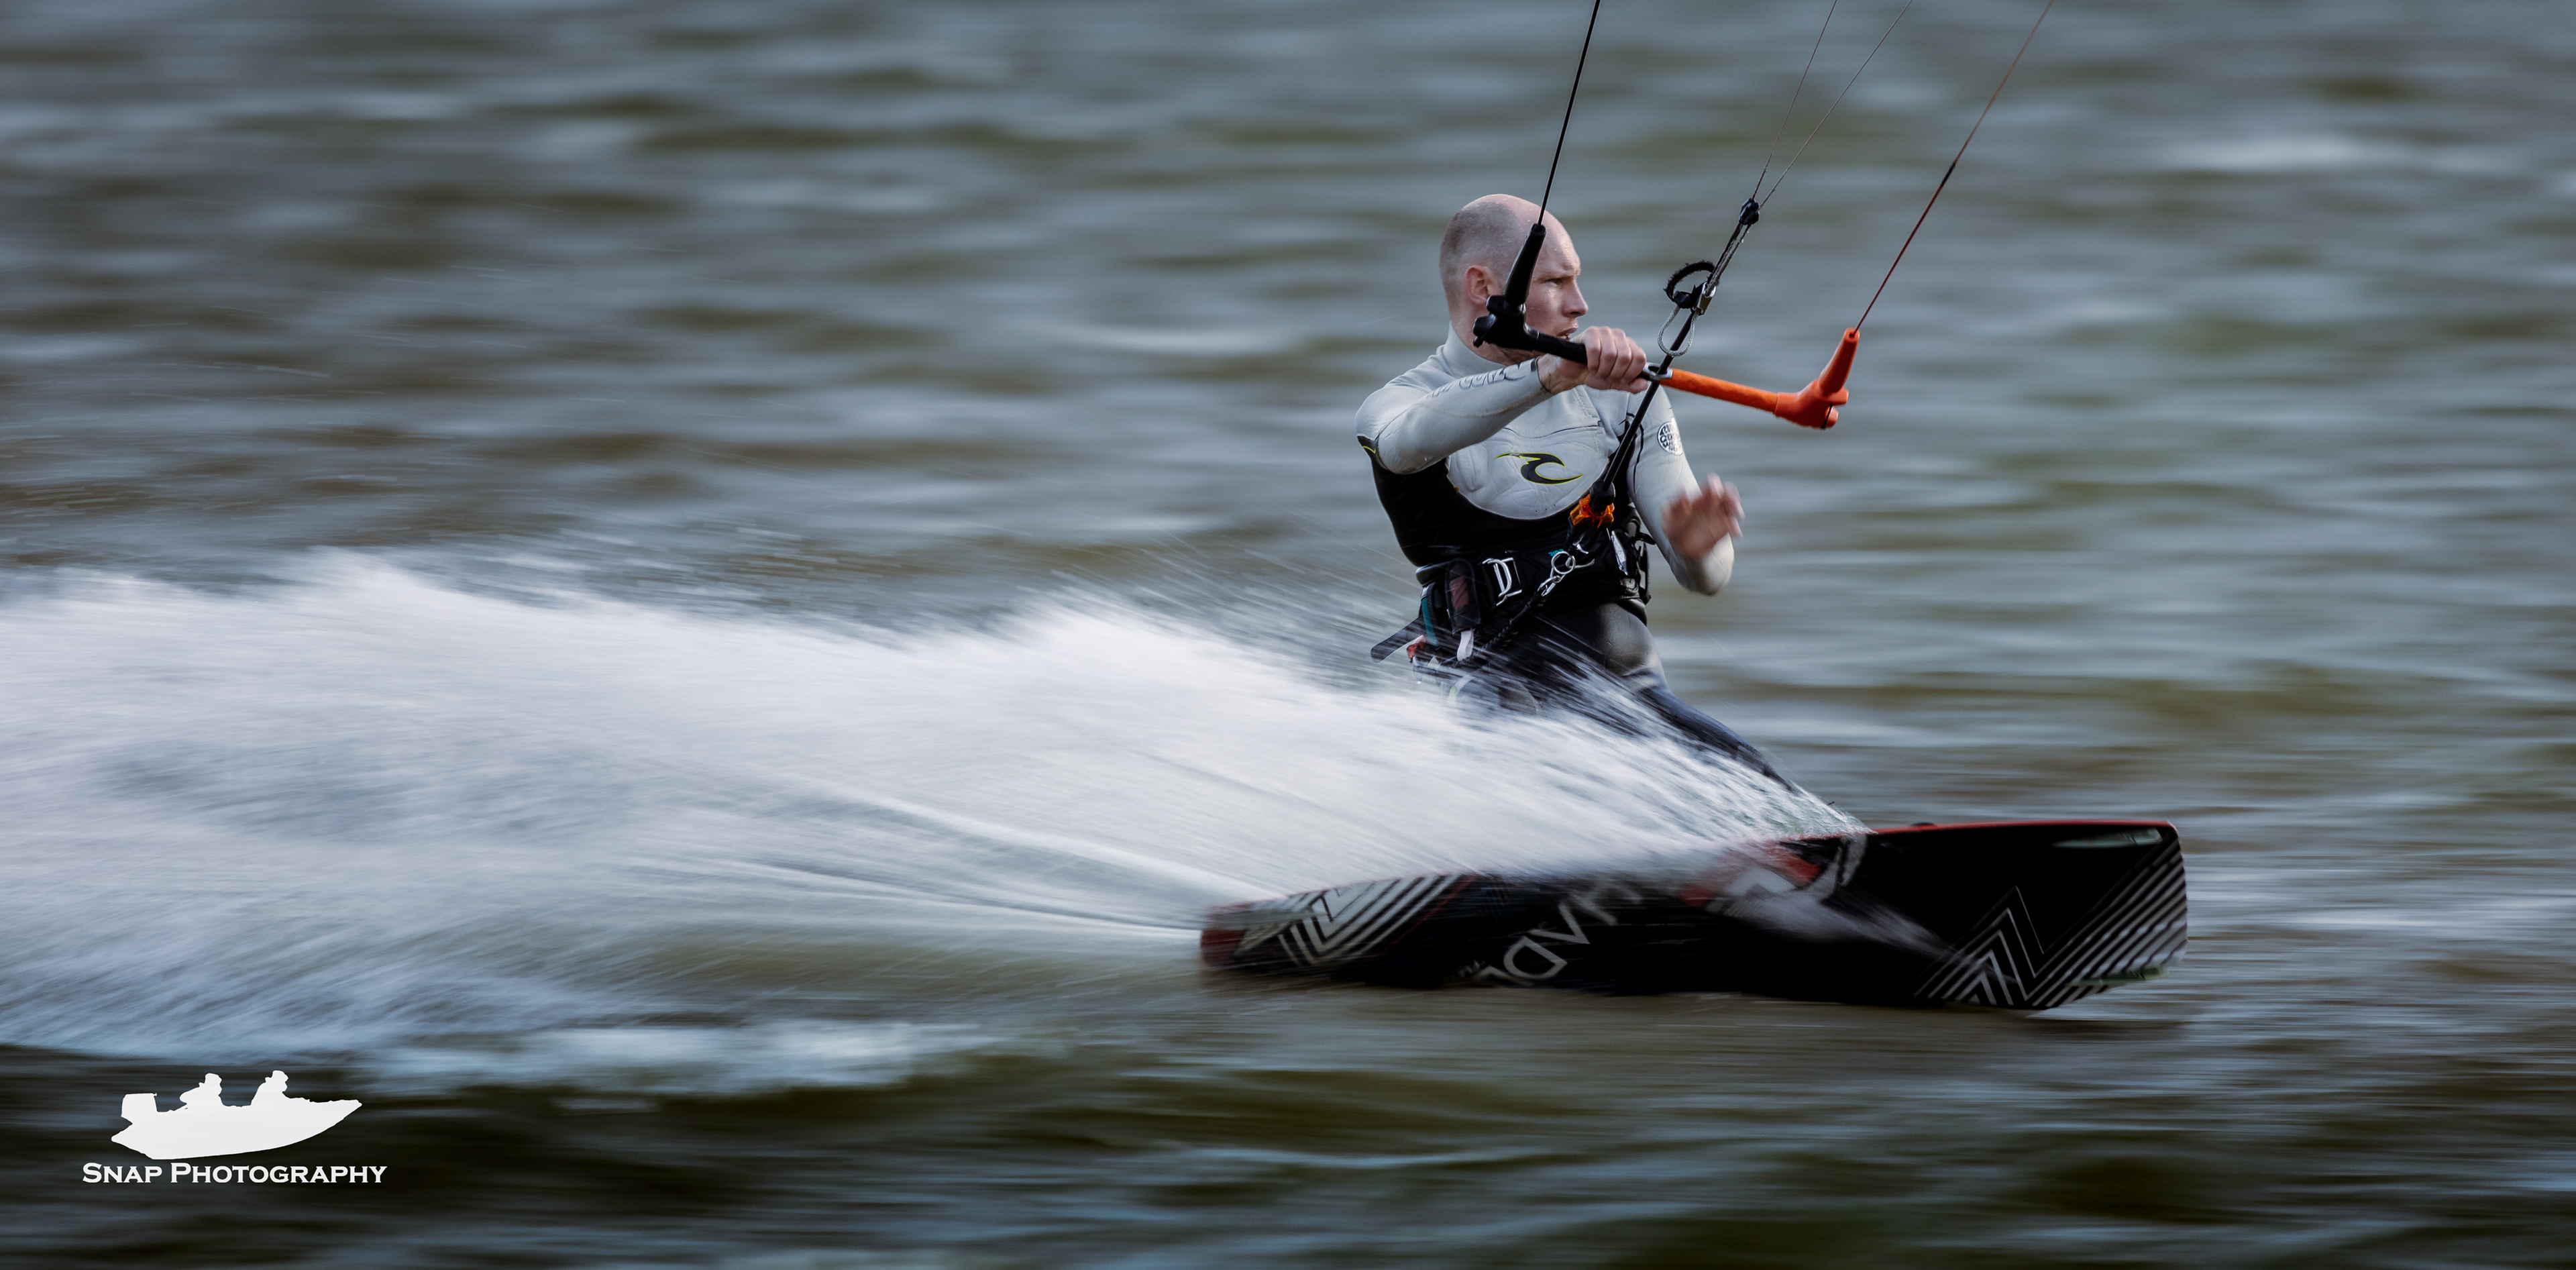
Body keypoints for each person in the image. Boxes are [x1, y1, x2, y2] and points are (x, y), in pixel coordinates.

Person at [1356, 193, 1790, 785]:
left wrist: (1696, 547)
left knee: (1758, 789)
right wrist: (1548, 374)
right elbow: (1407, 441)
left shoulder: (1623, 400)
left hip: (1633, 709)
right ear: (1483, 287)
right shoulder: (1399, 402)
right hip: (1493, 721)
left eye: (1577, 281)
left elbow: (1707, 578)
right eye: (1557, 282)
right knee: (1544, 754)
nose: (1581, 305)